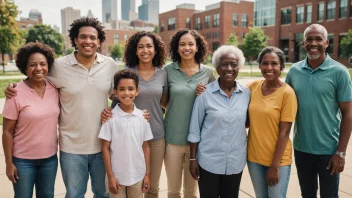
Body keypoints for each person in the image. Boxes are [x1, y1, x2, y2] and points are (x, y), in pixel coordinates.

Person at [4, 17, 118, 197]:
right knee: (74, 194)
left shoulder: (110, 65)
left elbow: (118, 95)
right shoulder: (58, 66)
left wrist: (116, 112)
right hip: (71, 148)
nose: (87, 41)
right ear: (75, 40)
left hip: (102, 144)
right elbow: (35, 76)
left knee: (103, 194)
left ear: (99, 41)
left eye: (92, 37)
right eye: (83, 37)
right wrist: (14, 87)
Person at [286, 24, 352, 198]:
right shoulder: (294, 71)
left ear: (326, 43)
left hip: (329, 150)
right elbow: (284, 106)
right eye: (309, 39)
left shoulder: (340, 72)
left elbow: (348, 114)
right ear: (303, 43)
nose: (313, 43)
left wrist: (341, 152)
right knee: (307, 194)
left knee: (329, 196)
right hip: (302, 148)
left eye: (318, 39)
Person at [102, 31, 168, 198]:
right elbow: (117, 100)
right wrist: (107, 113)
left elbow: (164, 102)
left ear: (155, 49)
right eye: (140, 47)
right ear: (135, 50)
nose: (145, 50)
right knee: (128, 181)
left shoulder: (162, 74)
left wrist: (151, 113)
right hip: (128, 136)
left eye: (149, 46)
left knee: (151, 185)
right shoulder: (127, 72)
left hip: (156, 136)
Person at [188, 45, 250, 198]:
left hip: (235, 162)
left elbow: (247, 122)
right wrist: (193, 159)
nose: (229, 68)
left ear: (239, 67)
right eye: (224, 64)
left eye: (234, 64)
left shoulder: (246, 93)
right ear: (217, 67)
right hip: (209, 161)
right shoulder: (204, 94)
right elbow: (195, 129)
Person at [2, 42, 59, 197]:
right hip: (22, 161)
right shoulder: (15, 93)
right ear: (25, 68)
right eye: (33, 65)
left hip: (50, 160)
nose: (38, 68)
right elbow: (7, 131)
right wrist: (9, 163)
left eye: (43, 64)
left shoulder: (55, 89)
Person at [163, 28, 216, 198]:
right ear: (176, 48)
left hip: (198, 142)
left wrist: (205, 95)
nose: (187, 48)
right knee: (172, 191)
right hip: (173, 139)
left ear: (198, 47)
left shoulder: (207, 72)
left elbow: (217, 103)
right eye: (182, 44)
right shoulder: (167, 70)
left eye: (191, 44)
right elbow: (162, 102)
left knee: (191, 192)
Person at [247, 46, 297, 198]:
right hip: (254, 158)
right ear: (260, 65)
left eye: (274, 63)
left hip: (278, 161)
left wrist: (274, 166)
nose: (269, 67)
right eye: (265, 63)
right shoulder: (253, 87)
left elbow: (285, 132)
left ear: (281, 66)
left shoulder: (287, 93)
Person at [99, 70, 153, 198]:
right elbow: (105, 148)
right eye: (122, 89)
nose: (127, 93)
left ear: (137, 91)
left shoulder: (142, 117)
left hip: (138, 175)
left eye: (131, 89)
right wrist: (110, 176)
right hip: (117, 176)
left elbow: (146, 147)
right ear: (115, 92)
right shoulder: (110, 117)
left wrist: (147, 175)